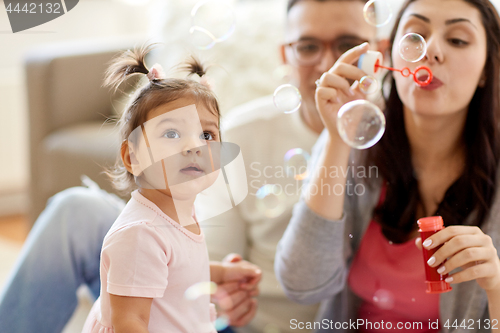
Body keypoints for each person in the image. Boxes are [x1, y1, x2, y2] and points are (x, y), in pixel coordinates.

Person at [0, 0, 380, 332]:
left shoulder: (391, 140)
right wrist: (220, 290)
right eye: (308, 45)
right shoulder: (244, 132)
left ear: (379, 51)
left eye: (348, 45)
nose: (329, 63)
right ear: (285, 54)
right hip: (204, 319)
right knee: (77, 211)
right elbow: (185, 263)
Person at [275, 0, 500, 332]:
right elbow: (302, 284)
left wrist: (495, 286)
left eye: (457, 40)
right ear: (390, 55)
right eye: (415, 36)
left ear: (486, 69)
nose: (432, 51)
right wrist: (338, 140)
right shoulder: (355, 132)